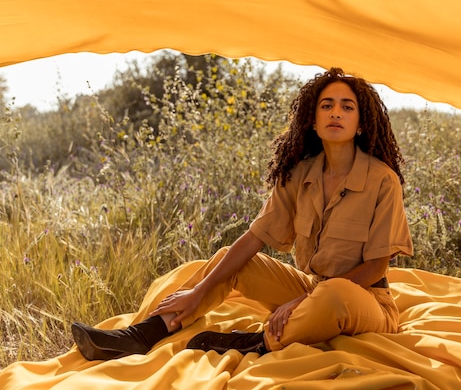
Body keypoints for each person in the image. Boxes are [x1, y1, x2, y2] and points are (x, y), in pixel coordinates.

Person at [71, 67, 414, 361]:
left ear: (361, 123)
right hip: (312, 289)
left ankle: (255, 344)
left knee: (334, 296)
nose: (335, 113)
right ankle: (143, 335)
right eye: (327, 106)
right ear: (313, 120)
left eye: (346, 107)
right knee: (231, 261)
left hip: (365, 300)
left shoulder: (383, 181)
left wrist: (301, 301)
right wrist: (200, 290)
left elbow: (376, 268)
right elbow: (255, 238)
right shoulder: (300, 175)